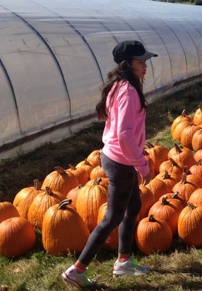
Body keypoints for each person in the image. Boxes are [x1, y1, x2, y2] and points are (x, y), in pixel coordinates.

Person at [62, 40, 156, 289]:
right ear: (128, 64)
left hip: (116, 156)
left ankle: (123, 261)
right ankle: (77, 269)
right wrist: (141, 164)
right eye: (140, 62)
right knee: (112, 216)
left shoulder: (120, 85)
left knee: (133, 205)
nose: (145, 66)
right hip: (121, 160)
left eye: (145, 61)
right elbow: (124, 134)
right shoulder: (128, 91)